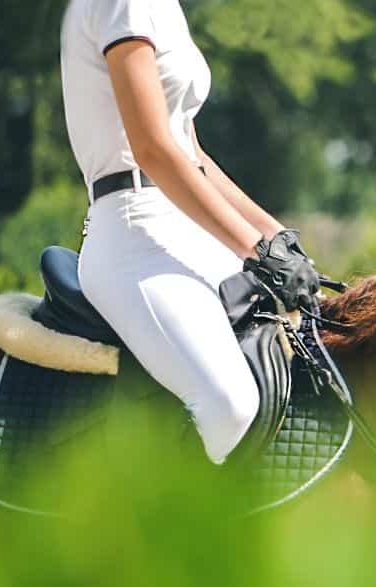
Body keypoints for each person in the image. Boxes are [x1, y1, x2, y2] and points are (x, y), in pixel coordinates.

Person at [60, 0, 323, 464]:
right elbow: (153, 150)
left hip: (189, 226)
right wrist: (255, 249)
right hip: (135, 236)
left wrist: (275, 235)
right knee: (230, 406)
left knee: (303, 355)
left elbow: (191, 154)